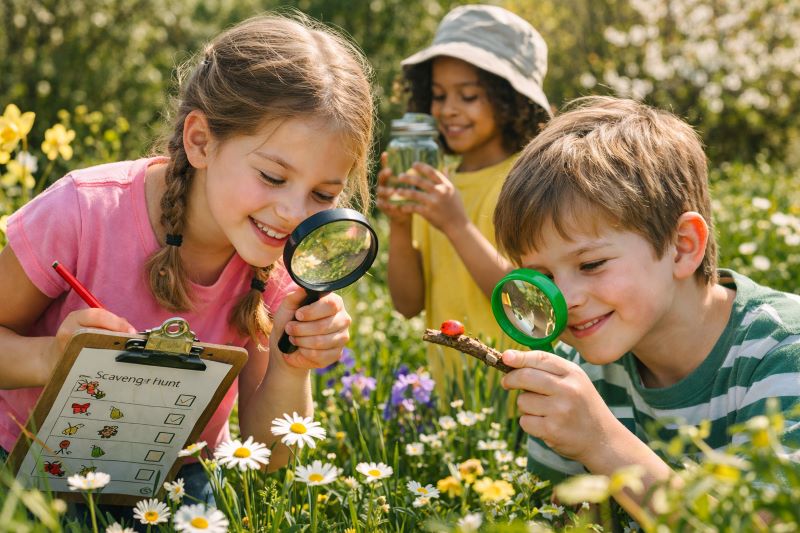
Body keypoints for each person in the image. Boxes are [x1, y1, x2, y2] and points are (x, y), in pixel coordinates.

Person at [0, 12, 373, 502]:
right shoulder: (82, 210)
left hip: (173, 486)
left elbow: (270, 453)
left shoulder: (282, 264)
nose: (290, 213)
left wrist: (293, 364)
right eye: (273, 177)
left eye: (323, 194)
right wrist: (53, 357)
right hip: (25, 467)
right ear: (200, 141)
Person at [494, 96, 800, 515]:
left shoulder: (784, 352)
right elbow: (552, 520)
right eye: (541, 278)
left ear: (681, 247)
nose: (564, 300)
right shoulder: (576, 372)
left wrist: (602, 442)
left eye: (591, 264)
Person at [376, 5, 552, 387]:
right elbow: (407, 305)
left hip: (519, 396)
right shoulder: (440, 183)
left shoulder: (534, 181)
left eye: (468, 96)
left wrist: (457, 225)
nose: (448, 110)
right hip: (450, 399)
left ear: (510, 100)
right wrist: (401, 224)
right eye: (438, 95)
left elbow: (530, 308)